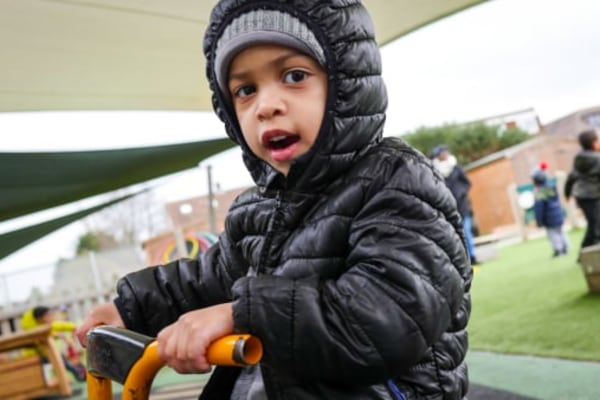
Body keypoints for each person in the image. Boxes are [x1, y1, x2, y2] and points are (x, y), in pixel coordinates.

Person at [76, 1, 472, 399]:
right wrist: (132, 308)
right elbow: (207, 280)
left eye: (294, 76)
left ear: (345, 83)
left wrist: (241, 314)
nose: (266, 106)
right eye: (245, 90)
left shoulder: (396, 182)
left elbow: (387, 319)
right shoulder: (256, 210)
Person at [431, 144, 479, 265]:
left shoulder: (456, 167)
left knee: (466, 231)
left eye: (446, 151)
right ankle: (461, 260)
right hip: (447, 208)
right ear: (438, 155)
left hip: (462, 206)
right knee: (454, 235)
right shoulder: (434, 170)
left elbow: (467, 183)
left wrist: (461, 192)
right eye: (443, 152)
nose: (445, 154)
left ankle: (472, 257)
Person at [20, 306, 87, 382]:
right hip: (34, 357)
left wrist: (71, 332)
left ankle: (76, 373)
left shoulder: (46, 324)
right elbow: (39, 338)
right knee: (58, 357)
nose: (51, 317)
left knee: (59, 357)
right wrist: (58, 336)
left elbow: (65, 326)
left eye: (51, 314)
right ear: (39, 318)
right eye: (48, 315)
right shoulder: (32, 329)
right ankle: (76, 373)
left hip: (46, 354)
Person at [565, 129, 600, 254]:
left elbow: (572, 176)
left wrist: (567, 192)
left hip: (582, 196)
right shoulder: (597, 159)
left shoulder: (579, 158)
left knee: (594, 224)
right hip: (592, 196)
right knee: (596, 226)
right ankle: (589, 255)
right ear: (594, 143)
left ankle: (584, 253)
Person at [532, 164, 569, 257]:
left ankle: (559, 250)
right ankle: (565, 247)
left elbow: (539, 208)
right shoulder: (552, 187)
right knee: (561, 232)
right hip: (558, 214)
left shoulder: (540, 192)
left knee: (553, 234)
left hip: (549, 218)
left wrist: (539, 221)